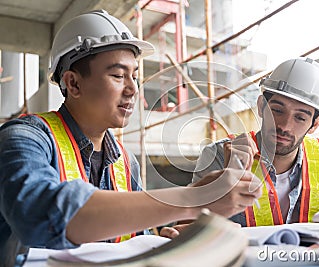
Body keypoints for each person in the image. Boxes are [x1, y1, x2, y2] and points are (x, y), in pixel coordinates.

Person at [0, 10, 261, 266]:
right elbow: (38, 215)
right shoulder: (24, 138)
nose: (133, 88)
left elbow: (129, 240)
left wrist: (162, 242)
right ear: (73, 84)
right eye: (118, 75)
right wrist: (192, 198)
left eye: (134, 75)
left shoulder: (125, 162)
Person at [192, 57, 319, 227]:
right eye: (278, 111)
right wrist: (225, 183)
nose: (285, 126)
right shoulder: (219, 156)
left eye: (300, 118)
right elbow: (188, 228)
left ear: (315, 124)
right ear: (262, 107)